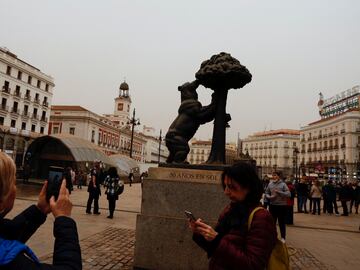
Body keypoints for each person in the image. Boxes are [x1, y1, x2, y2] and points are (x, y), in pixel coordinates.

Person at [0, 152, 82, 269]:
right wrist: (64, 219)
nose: (15, 188)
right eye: (13, 183)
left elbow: (7, 233)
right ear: (3, 198)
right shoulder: (10, 262)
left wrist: (39, 210)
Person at [189, 163, 277, 270]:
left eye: (231, 187)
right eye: (225, 186)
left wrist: (217, 240)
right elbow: (215, 249)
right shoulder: (230, 209)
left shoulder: (261, 217)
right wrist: (200, 233)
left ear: (248, 187)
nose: (226, 192)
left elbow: (253, 265)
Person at [265, 171, 291, 242]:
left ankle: (283, 238)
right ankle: (273, 237)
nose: (274, 177)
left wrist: (279, 192)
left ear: (279, 176)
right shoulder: (270, 184)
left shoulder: (283, 184)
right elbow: (266, 192)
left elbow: (289, 194)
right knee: (272, 223)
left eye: (275, 175)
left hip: (281, 206)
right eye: (273, 175)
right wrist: (269, 197)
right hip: (272, 205)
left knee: (281, 222)